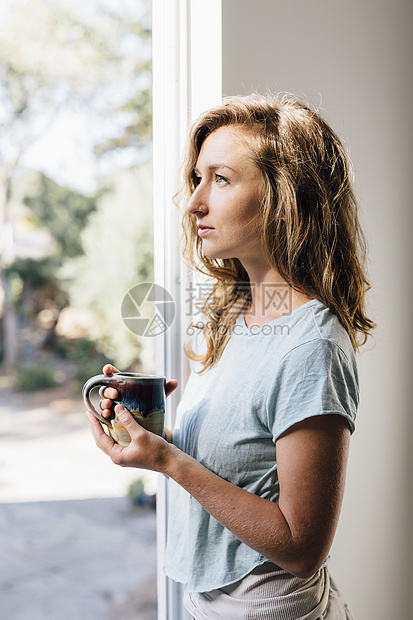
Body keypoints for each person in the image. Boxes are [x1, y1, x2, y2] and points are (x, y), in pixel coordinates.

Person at [86, 93, 375, 620]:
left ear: (284, 196)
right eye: (197, 178)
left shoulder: (311, 345)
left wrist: (169, 463)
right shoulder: (236, 314)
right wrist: (151, 438)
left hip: (265, 609)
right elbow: (241, 464)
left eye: (219, 179)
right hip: (209, 600)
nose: (194, 201)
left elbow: (300, 546)